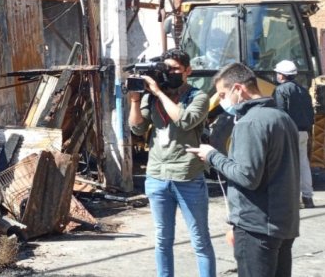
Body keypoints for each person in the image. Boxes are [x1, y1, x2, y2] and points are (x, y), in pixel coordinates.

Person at [188, 63, 300, 277]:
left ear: (238, 89)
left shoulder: (250, 123)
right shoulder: (282, 118)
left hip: (256, 226)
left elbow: (247, 176)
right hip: (283, 223)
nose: (222, 101)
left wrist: (212, 156)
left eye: (222, 94)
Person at [129, 49, 215, 277]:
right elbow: (136, 128)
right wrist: (136, 101)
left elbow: (185, 120)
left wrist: (158, 91)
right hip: (157, 176)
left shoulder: (198, 96)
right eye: (167, 69)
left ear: (188, 70)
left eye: (176, 69)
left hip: (188, 176)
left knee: (200, 239)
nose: (171, 73)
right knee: (162, 239)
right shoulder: (152, 98)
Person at [273, 60, 315, 208]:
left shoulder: (281, 90)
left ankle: (294, 200)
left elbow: (280, 114)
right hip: (304, 132)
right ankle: (308, 198)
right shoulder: (303, 90)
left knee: (290, 166)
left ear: (282, 76)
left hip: (289, 132)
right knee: (303, 164)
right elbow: (310, 113)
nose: (276, 75)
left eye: (278, 73)